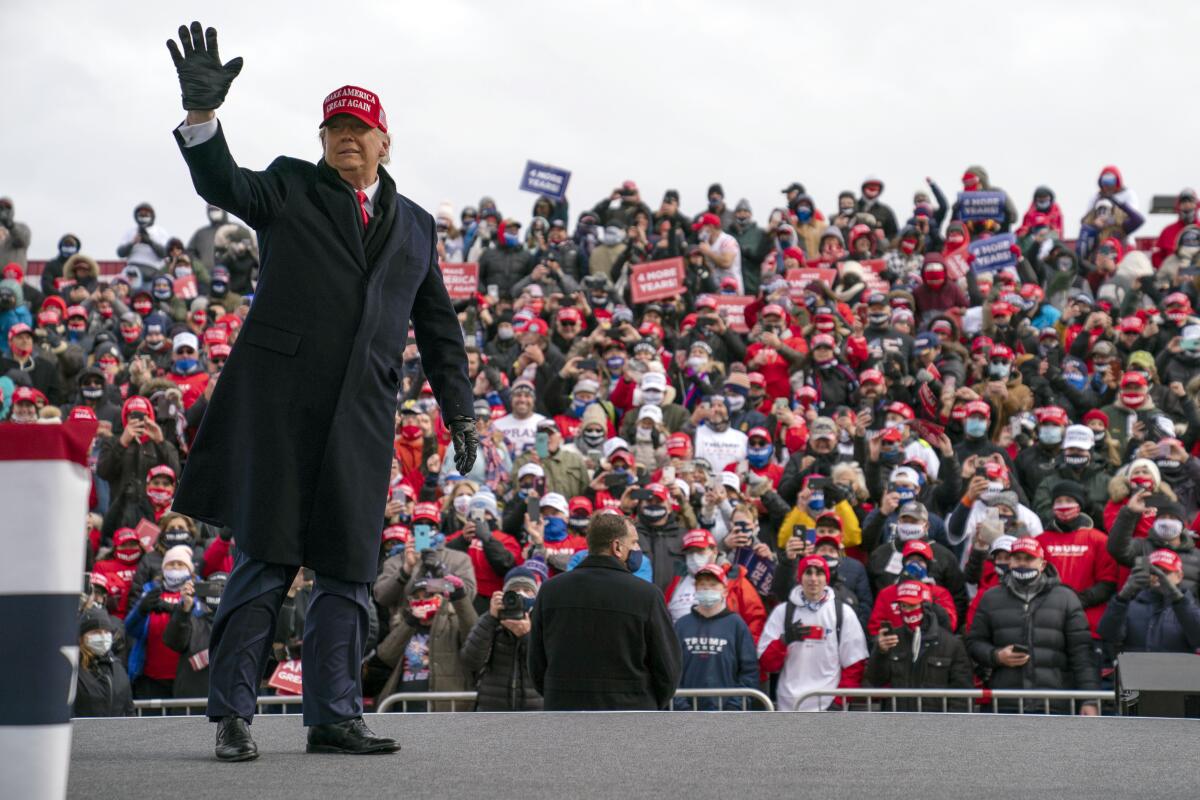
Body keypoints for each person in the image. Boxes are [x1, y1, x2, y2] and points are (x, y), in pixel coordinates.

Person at [164, 22, 477, 759]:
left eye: (358, 128)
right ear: (322, 137)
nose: (346, 137)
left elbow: (438, 329)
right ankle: (233, 717)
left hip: (363, 418)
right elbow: (223, 182)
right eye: (334, 127)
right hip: (279, 413)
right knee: (263, 562)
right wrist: (204, 118)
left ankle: (334, 714)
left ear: (383, 141)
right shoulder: (289, 185)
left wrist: (459, 408)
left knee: (347, 570)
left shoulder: (415, 227)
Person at [529, 513, 682, 710]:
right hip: (631, 714)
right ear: (617, 547)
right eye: (634, 543)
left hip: (564, 712)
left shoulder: (551, 591)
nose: (637, 550)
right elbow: (667, 667)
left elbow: (536, 663)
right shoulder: (647, 595)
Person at [965, 537, 1099, 714]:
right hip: (1005, 704)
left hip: (1055, 704)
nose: (1023, 564)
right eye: (1017, 558)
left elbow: (1082, 653)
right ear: (1010, 562)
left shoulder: (1065, 598)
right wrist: (996, 656)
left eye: (1029, 559)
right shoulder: (990, 597)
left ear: (1042, 564)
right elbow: (974, 643)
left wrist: (1089, 700)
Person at [758, 555, 869, 711]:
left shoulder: (842, 612)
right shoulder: (782, 612)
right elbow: (766, 663)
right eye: (808, 572)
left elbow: (855, 664)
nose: (813, 579)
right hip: (789, 705)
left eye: (819, 573)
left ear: (826, 578)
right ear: (800, 577)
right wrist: (783, 641)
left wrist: (838, 702)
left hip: (827, 706)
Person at [865, 580, 973, 711]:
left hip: (936, 725)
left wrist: (949, 728)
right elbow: (875, 680)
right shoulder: (892, 640)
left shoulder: (951, 644)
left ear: (926, 606)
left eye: (912, 606)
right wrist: (880, 652)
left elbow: (961, 695)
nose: (907, 611)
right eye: (903, 606)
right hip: (897, 722)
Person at [672, 564, 759, 710]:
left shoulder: (736, 625)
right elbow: (671, 670)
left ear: (724, 591)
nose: (706, 589)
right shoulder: (682, 625)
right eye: (702, 585)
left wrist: (734, 708)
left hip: (729, 715)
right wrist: (682, 708)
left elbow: (749, 671)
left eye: (713, 585)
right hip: (686, 714)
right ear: (695, 589)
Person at [459, 567, 543, 711]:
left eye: (527, 590)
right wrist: (490, 619)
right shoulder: (491, 621)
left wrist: (526, 636)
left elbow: (546, 665)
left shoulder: (543, 622)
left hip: (533, 711)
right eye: (515, 590)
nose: (521, 594)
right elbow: (470, 661)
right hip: (493, 710)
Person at [1098, 549, 1200, 655]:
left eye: (1165, 572)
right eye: (1154, 572)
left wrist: (1174, 595)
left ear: (1179, 576)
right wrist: (1123, 596)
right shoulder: (1132, 605)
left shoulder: (1190, 606)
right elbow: (1109, 635)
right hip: (1136, 669)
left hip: (1178, 670)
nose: (1159, 577)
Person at [74, 608, 135, 717]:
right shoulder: (73, 670)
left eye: (106, 632)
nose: (102, 637)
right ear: (81, 638)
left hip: (116, 733)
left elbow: (129, 711)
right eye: (95, 632)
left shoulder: (117, 667)